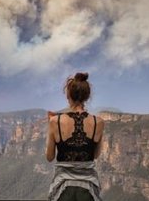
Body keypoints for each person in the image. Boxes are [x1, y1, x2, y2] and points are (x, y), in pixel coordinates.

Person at [45, 72, 105, 201]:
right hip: (87, 189)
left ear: (68, 95)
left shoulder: (55, 121)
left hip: (63, 188)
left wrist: (50, 127)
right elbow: (95, 155)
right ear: (87, 96)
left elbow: (49, 157)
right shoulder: (98, 122)